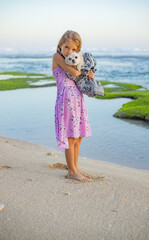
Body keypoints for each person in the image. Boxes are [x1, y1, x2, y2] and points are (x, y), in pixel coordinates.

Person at [52, 30, 94, 182]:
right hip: (65, 101)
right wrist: (84, 70)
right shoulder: (58, 57)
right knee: (70, 136)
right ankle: (71, 171)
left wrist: (89, 74)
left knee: (78, 136)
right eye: (66, 47)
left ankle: (76, 168)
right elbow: (75, 73)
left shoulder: (76, 61)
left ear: (78, 50)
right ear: (60, 46)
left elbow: (80, 75)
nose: (70, 51)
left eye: (74, 49)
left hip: (77, 99)